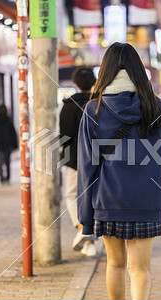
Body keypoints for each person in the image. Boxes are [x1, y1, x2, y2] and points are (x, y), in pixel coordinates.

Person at [77, 42, 161, 300]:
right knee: (140, 269)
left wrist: (85, 216)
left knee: (115, 264)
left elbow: (87, 166)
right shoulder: (156, 106)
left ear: (105, 71)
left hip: (109, 200)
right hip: (146, 200)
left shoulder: (93, 110)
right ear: (138, 70)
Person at [59, 67, 97, 257]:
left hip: (75, 160)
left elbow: (64, 137)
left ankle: (83, 227)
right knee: (92, 197)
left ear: (75, 83)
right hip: (97, 159)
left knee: (70, 195)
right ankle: (89, 243)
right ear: (94, 82)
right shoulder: (99, 104)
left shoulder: (69, 105)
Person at [0, 105, 18, 184]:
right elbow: (13, 134)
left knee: (0, 161)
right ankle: (8, 177)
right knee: (7, 162)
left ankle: (2, 178)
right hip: (7, 144)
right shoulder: (9, 121)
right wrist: (15, 145)